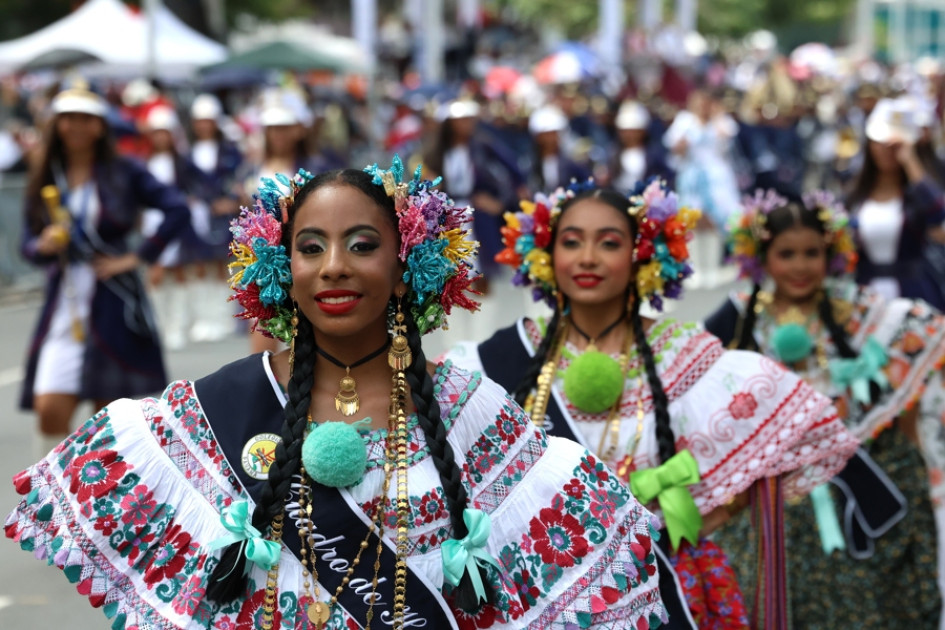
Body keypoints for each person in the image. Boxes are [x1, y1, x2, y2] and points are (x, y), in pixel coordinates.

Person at [6, 158, 668, 629]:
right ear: (281, 266)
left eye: (361, 245)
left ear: (407, 267)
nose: (333, 267)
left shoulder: (468, 409)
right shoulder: (219, 407)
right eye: (310, 247)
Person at [445, 179, 859, 628]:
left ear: (643, 254)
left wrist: (705, 512)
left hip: (665, 583)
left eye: (609, 243)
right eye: (571, 242)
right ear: (545, 253)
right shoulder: (504, 356)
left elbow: (783, 429)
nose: (587, 258)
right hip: (548, 593)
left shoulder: (682, 352)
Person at [705, 189, 945, 628]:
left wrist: (900, 438)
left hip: (855, 478)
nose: (800, 266)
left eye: (812, 253)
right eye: (786, 254)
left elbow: (920, 338)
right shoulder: (739, 316)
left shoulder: (857, 308)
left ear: (830, 254)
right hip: (771, 494)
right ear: (761, 257)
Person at [18, 86, 189, 459]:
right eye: (68, 118)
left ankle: (100, 490)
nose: (76, 126)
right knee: (49, 409)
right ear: (57, 124)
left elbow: (178, 208)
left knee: (108, 417)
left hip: (113, 300)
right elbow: (27, 244)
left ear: (99, 125)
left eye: (85, 118)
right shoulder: (46, 173)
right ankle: (52, 485)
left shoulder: (123, 170)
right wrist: (44, 244)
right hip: (63, 302)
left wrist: (138, 257)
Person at [847, 97, 945, 310]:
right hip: (865, 296)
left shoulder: (918, 193)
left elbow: (938, 214)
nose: (887, 150)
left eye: (895, 145)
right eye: (880, 142)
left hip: (914, 297)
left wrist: (910, 161)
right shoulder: (855, 195)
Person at [187, 93, 244, 343]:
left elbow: (238, 180)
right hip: (198, 215)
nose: (204, 125)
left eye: (208, 120)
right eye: (200, 121)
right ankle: (203, 317)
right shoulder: (188, 153)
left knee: (225, 265)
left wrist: (230, 201)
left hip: (224, 215)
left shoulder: (229, 152)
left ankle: (223, 317)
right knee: (200, 265)